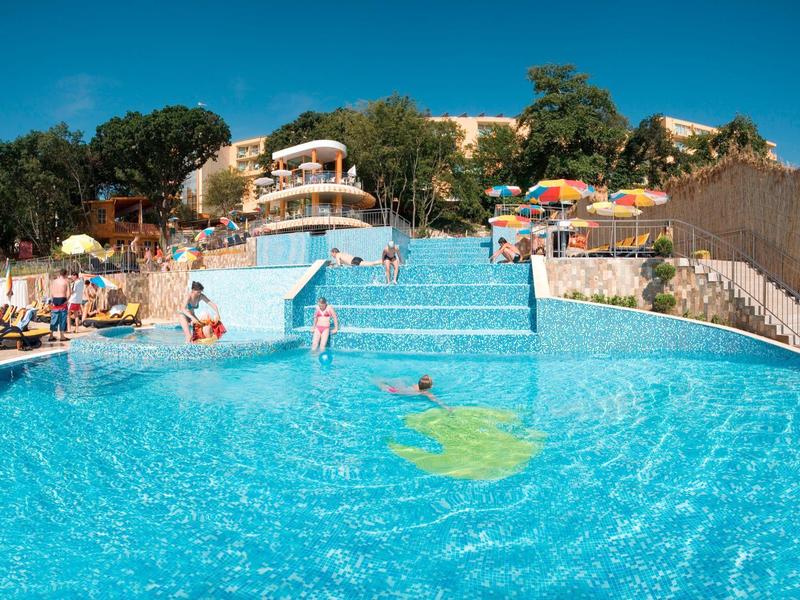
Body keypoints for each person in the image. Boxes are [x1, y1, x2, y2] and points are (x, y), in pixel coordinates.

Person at [378, 375, 451, 411]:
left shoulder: (416, 386)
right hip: (400, 393)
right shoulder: (426, 393)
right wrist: (447, 407)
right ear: (430, 387)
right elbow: (437, 401)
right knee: (391, 390)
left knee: (386, 385)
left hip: (403, 389)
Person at [48, 269, 70, 342]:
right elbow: (69, 293)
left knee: (54, 318)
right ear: (65, 274)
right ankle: (62, 336)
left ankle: (51, 336)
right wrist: (66, 301)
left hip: (54, 300)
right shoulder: (66, 281)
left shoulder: (54, 281)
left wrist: (52, 301)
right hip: (62, 300)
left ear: (59, 274)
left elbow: (51, 292)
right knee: (62, 319)